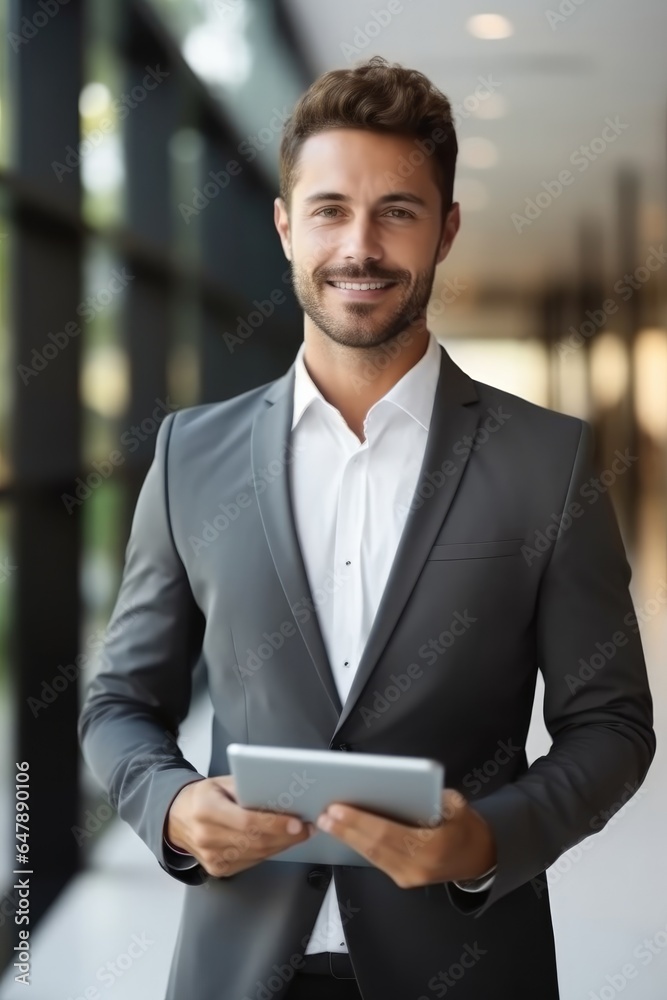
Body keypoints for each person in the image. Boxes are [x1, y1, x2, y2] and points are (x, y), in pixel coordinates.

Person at [78, 56, 655, 1000]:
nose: (360, 245)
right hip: (238, 962)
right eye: (329, 209)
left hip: (465, 963)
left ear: (446, 230)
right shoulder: (192, 455)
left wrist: (488, 839)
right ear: (283, 225)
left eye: (398, 210)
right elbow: (117, 705)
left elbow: (612, 726)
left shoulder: (547, 462)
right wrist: (174, 806)